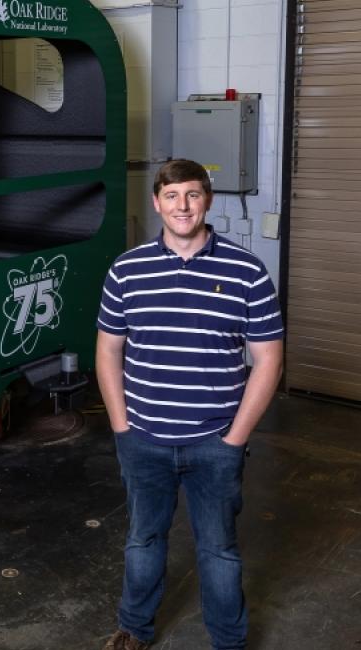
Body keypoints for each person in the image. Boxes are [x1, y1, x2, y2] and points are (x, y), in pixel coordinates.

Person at [96, 159, 284, 650]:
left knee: (219, 551)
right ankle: (134, 629)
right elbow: (108, 350)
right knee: (143, 541)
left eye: (193, 194)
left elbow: (268, 361)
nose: (182, 205)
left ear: (208, 201)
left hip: (214, 443)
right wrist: (122, 428)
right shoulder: (127, 270)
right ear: (156, 202)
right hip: (144, 439)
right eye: (172, 195)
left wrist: (234, 440)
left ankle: (228, 641)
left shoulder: (245, 270)